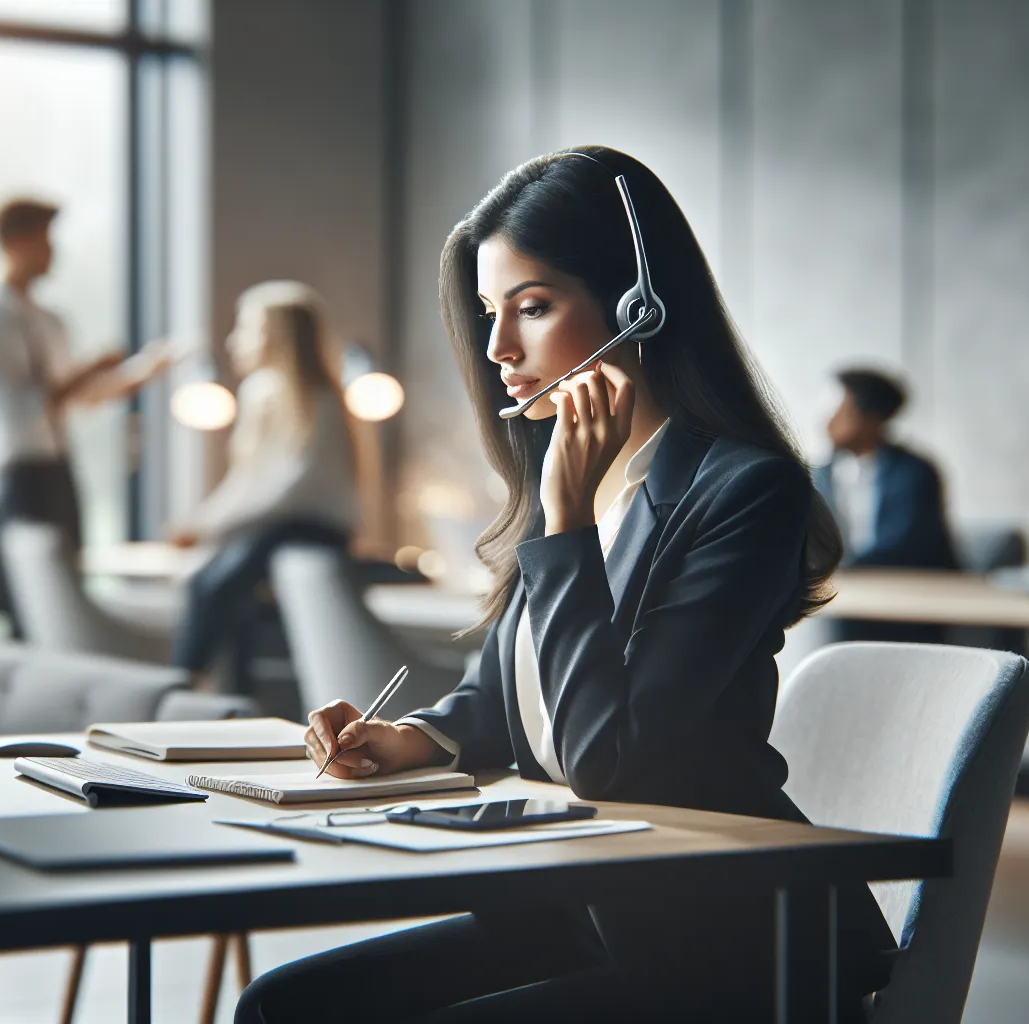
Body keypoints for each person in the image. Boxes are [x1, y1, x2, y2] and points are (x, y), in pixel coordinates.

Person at [237, 148, 894, 1022]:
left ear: (638, 306)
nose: (500, 348)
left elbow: (608, 761)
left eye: (534, 308)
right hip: (583, 907)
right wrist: (416, 738)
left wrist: (567, 525)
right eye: (488, 313)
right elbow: (511, 697)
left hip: (727, 940)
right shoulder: (573, 477)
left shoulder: (745, 490)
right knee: (287, 1006)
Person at [0, 197, 171, 633]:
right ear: (15, 242)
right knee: (30, 606)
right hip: (21, 475)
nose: (53, 252)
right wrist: (89, 370)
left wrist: (136, 375)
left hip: (59, 469)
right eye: (44, 240)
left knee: (64, 602)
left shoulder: (47, 320)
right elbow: (17, 408)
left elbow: (78, 398)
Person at [165, 281, 362, 687]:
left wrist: (208, 524)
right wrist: (202, 522)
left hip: (309, 527)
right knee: (217, 586)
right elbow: (247, 480)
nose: (235, 339)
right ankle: (217, 686)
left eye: (246, 327)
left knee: (216, 583)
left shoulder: (318, 399)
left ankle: (183, 681)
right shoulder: (261, 392)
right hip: (274, 525)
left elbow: (293, 486)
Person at [815, 367, 957, 643]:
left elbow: (904, 545)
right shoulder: (820, 474)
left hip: (911, 603)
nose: (827, 421)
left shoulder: (914, 473)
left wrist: (842, 566)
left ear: (872, 417)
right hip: (847, 598)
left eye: (839, 410)